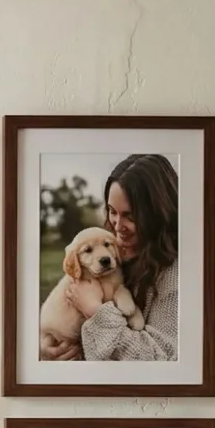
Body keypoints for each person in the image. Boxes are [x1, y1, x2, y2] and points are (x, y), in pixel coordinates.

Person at [61, 154, 179, 362]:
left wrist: (95, 310)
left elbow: (159, 359)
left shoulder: (174, 275)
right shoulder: (108, 253)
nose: (117, 225)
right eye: (112, 211)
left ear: (159, 213)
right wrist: (53, 350)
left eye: (130, 216)